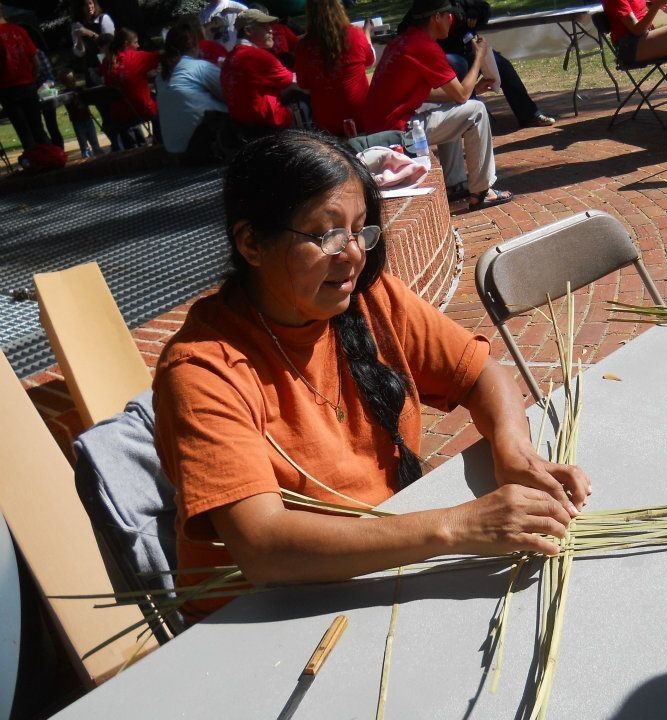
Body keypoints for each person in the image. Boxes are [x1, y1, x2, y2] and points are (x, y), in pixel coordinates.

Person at [152, 130, 590, 620]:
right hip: (264, 614)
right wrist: (457, 527)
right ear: (252, 241)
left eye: (361, 229)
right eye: (326, 234)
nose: (354, 253)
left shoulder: (367, 297)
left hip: (376, 568)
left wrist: (514, 450)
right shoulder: (201, 371)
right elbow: (264, 547)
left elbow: (481, 374)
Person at [364, 0, 513, 211]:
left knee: (453, 111)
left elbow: (439, 94)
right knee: (476, 112)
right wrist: (479, 58)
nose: (451, 20)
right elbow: (461, 95)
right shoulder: (424, 45)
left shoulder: (404, 41)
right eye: (447, 15)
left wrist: (473, 90)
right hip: (397, 132)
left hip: (381, 126)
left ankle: (455, 184)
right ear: (436, 17)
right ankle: (482, 191)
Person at [440, 0, 555, 128]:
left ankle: (529, 115)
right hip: (450, 54)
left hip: (471, 49)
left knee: (503, 66)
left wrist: (475, 12)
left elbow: (484, 8)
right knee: (457, 64)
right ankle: (471, 121)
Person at [294, 0, 374, 137]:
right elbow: (370, 60)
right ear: (340, 9)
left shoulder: (303, 46)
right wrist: (367, 33)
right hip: (361, 116)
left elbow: (303, 84)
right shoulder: (355, 34)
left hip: (327, 123)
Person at [155, 15, 228, 158]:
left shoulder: (160, 78)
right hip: (206, 146)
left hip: (176, 150)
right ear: (195, 45)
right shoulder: (200, 67)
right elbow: (230, 94)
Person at [220, 8, 300, 130]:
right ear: (248, 30)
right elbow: (301, 82)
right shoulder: (257, 57)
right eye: (265, 27)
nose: (271, 30)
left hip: (242, 127)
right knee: (305, 103)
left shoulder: (228, 60)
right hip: (270, 126)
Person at [0, 8, 51, 155]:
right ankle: (51, 158)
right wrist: (31, 80)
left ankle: (37, 162)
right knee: (38, 129)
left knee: (25, 132)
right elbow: (37, 63)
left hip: (7, 89)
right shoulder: (19, 31)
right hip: (27, 85)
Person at [101, 27, 160, 148]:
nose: (138, 46)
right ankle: (159, 142)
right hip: (140, 109)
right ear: (127, 44)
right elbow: (162, 57)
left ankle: (135, 145)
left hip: (118, 113)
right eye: (136, 42)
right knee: (162, 102)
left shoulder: (106, 62)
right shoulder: (137, 57)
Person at [59, 70, 105, 158]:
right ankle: (86, 155)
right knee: (83, 142)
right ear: (64, 83)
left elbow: (87, 98)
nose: (72, 83)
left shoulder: (79, 89)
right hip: (77, 121)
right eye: (69, 82)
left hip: (87, 117)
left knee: (93, 139)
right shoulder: (65, 94)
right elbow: (68, 104)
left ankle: (98, 151)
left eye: (73, 81)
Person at [71, 0, 115, 86]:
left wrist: (90, 34)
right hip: (90, 66)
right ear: (80, 8)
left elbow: (109, 42)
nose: (89, 7)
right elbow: (80, 53)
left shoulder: (103, 18)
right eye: (85, 5)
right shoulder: (77, 25)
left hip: (107, 62)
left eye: (90, 3)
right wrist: (79, 37)